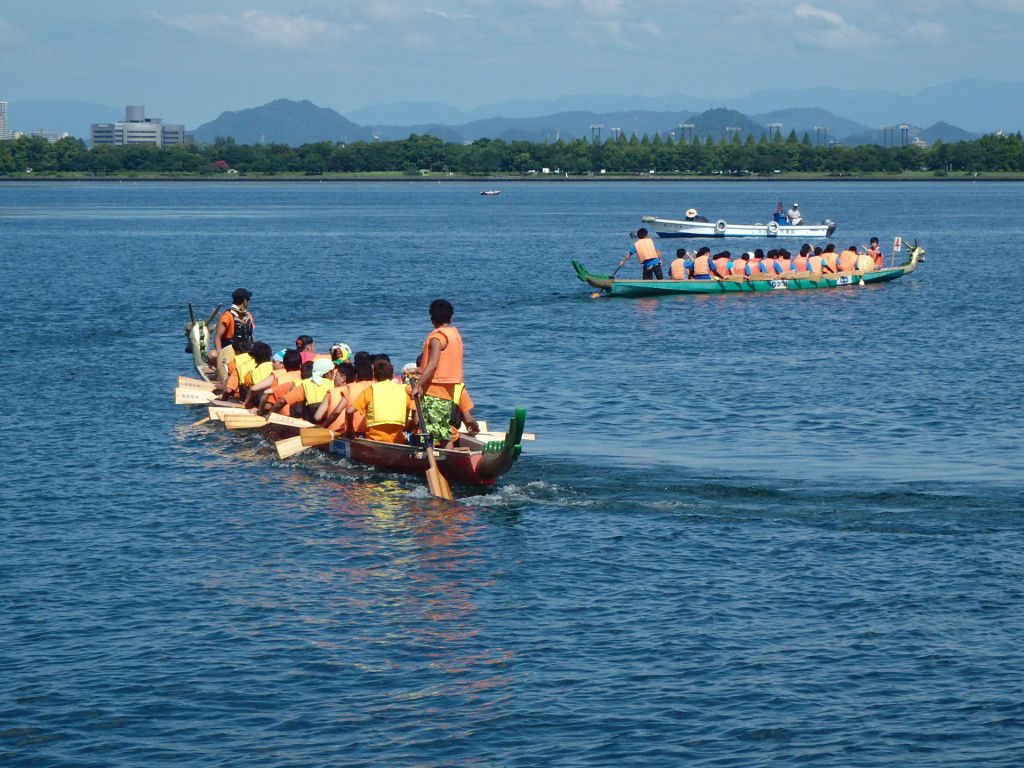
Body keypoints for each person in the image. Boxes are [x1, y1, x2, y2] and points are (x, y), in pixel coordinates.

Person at [410, 299, 480, 444]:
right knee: (444, 432)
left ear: (432, 320)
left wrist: (418, 385)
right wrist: (417, 370)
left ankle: (433, 461)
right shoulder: (454, 335)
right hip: (447, 392)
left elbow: (433, 364)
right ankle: (449, 458)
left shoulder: (437, 337)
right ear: (451, 318)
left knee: (430, 434)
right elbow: (438, 363)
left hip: (433, 391)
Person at [346, 358, 415, 444]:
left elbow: (349, 411)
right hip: (398, 440)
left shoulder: (370, 390)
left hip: (374, 440)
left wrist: (350, 429)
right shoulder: (404, 390)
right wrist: (409, 428)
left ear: (374, 375)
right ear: (392, 375)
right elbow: (415, 420)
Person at [211, 288, 254, 365]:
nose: (249, 301)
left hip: (247, 352)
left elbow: (249, 335)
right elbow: (217, 337)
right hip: (231, 354)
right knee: (212, 355)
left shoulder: (248, 315)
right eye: (248, 299)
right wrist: (220, 355)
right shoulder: (227, 316)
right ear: (244, 301)